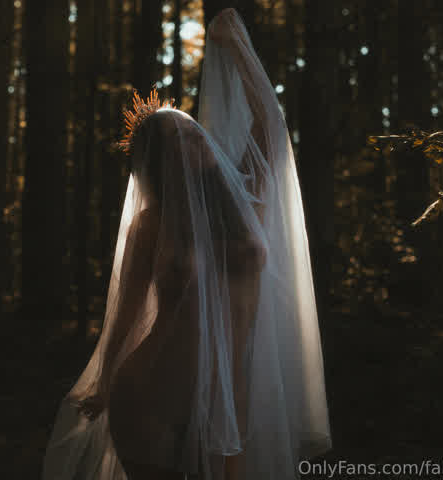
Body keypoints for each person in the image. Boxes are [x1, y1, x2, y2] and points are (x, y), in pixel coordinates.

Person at [41, 8, 330, 480]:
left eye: (192, 133)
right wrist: (102, 382)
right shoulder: (151, 225)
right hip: (151, 394)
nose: (194, 142)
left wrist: (236, 47)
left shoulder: (247, 199)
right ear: (159, 162)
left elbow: (271, 128)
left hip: (229, 401)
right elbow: (126, 313)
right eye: (177, 141)